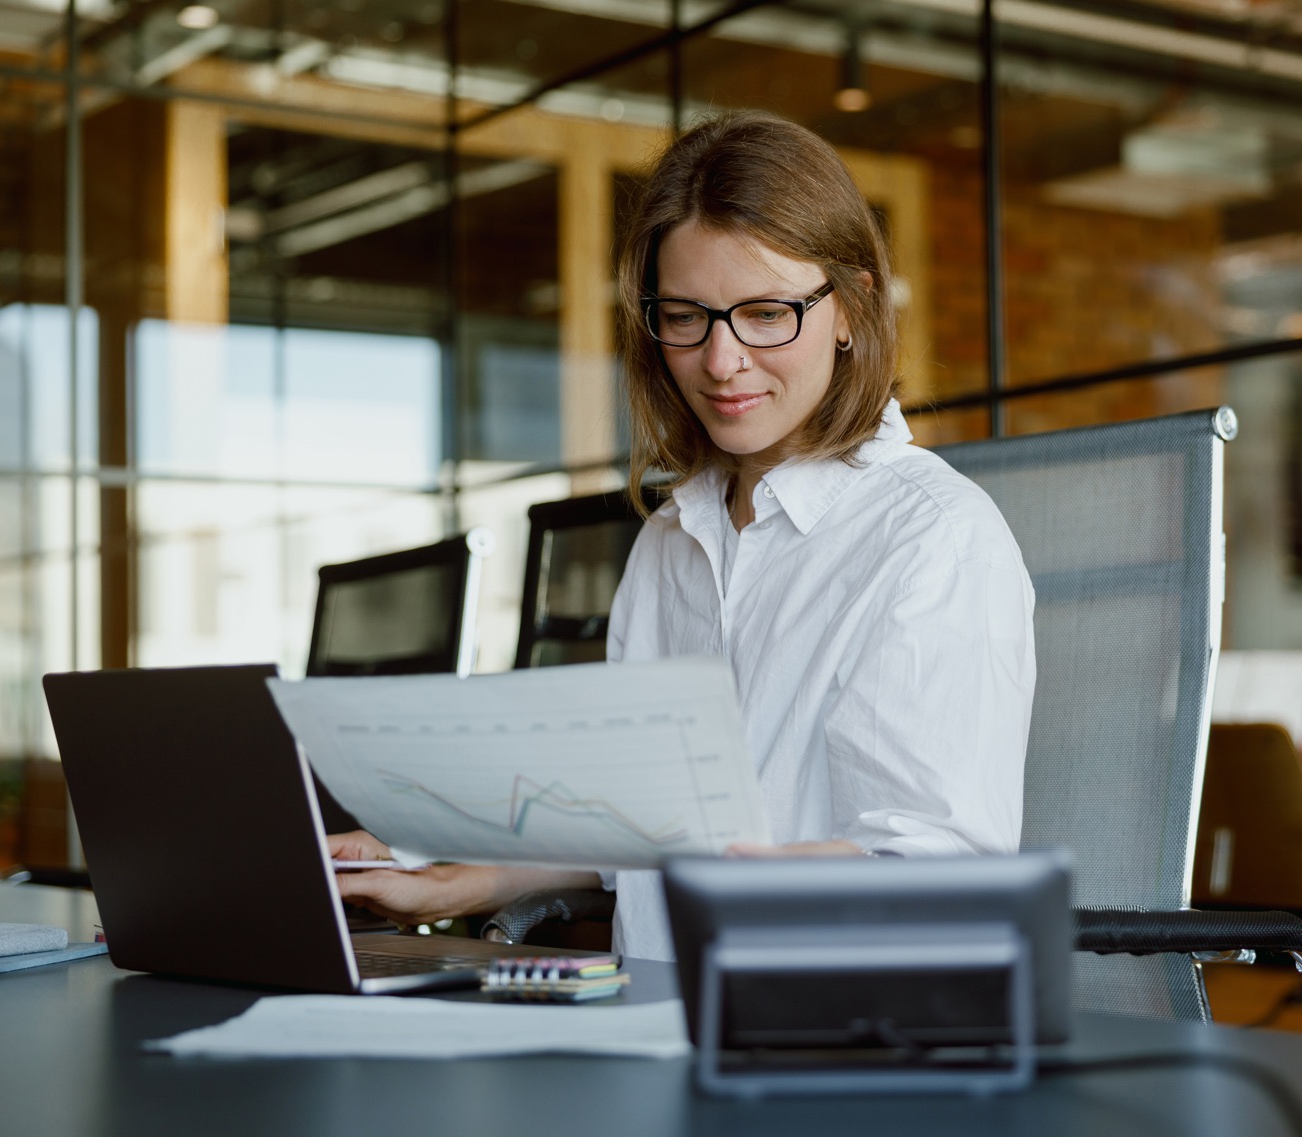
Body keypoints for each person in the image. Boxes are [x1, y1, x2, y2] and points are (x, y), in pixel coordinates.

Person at [331, 111, 1035, 960]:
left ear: (851, 308)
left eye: (767, 313)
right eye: (687, 316)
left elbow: (941, 867)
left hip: (820, 1036)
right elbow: (640, 825)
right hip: (645, 1020)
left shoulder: (933, 541)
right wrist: (469, 873)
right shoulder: (672, 538)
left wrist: (741, 872)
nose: (722, 360)